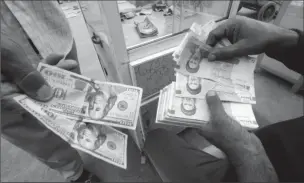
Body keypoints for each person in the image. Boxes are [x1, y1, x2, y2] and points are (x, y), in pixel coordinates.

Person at [144, 16, 304, 182]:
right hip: (260, 150)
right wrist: (285, 39)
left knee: (155, 139)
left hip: (251, 170)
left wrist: (245, 149)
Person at [1, 1, 101, 182]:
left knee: (74, 92)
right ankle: (74, 172)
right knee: (28, 127)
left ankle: (84, 128)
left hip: (48, 26)